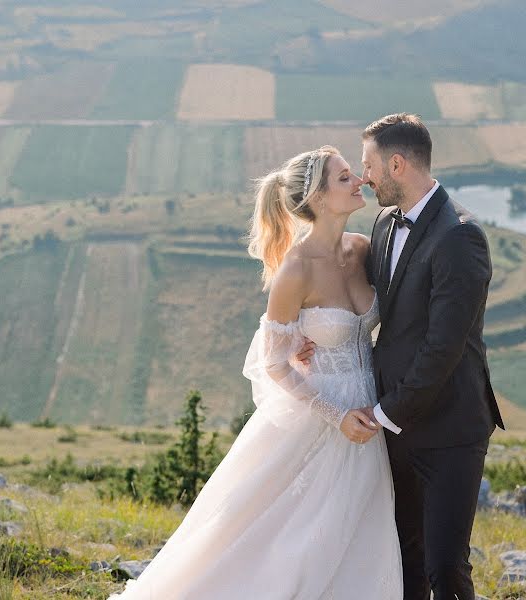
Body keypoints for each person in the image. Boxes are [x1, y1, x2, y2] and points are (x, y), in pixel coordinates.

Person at [108, 145, 402, 599]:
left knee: (356, 534)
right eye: (345, 177)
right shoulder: (296, 270)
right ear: (320, 199)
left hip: (368, 414)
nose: (359, 181)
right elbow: (273, 364)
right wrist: (335, 414)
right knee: (290, 543)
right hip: (322, 418)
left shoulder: (362, 248)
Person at [298, 114, 505, 600]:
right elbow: (354, 301)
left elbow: (444, 346)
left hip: (450, 428)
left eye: (368, 165)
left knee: (445, 566)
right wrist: (311, 335)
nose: (364, 177)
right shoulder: (385, 223)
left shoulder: (460, 237)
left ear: (396, 164)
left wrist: (387, 412)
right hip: (393, 425)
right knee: (402, 554)